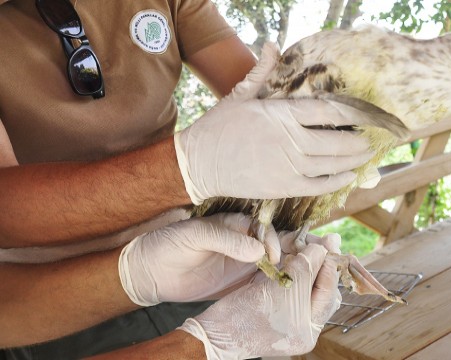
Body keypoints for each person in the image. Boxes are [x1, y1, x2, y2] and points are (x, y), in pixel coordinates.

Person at [0, 0, 376, 358]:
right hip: (42, 298)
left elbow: (267, 98)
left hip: (191, 257)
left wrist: (333, 121)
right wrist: (186, 166)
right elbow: (8, 216)